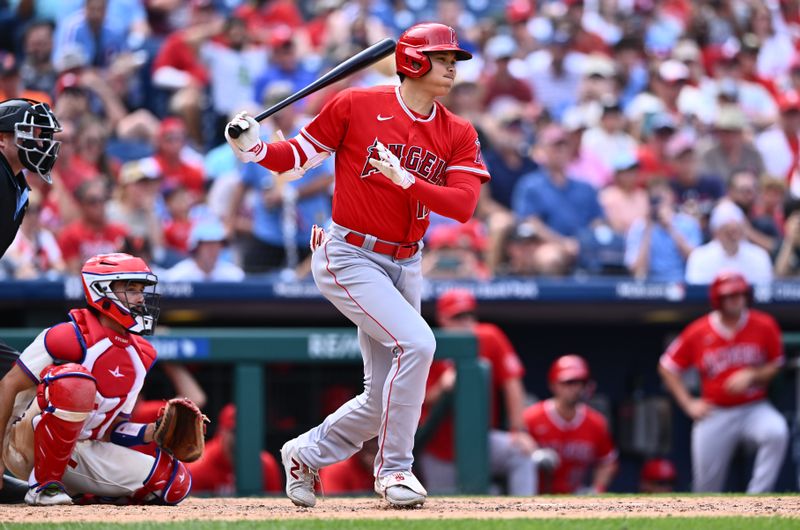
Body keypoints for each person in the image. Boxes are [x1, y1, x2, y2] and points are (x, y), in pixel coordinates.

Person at [225, 22, 490, 508]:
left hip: (407, 261)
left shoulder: (458, 130)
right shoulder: (356, 105)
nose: (453, 66)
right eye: (442, 56)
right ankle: (394, 471)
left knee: (382, 396)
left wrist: (407, 182)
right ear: (413, 61)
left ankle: (304, 452)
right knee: (419, 343)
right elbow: (296, 155)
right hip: (350, 252)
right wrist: (253, 147)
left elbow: (462, 206)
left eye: (455, 58)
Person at [0, 253, 193, 506]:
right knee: (74, 382)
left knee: (175, 483)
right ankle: (43, 486)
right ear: (101, 291)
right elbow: (8, 386)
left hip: (80, 449)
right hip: (24, 441)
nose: (141, 298)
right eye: (131, 289)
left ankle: (85, 495)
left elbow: (113, 430)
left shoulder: (141, 355)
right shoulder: (67, 335)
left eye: (141, 290)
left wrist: (152, 432)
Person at [658, 272, 789, 493]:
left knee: (776, 431)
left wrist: (753, 374)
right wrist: (688, 403)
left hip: (754, 407)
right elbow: (667, 367)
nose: (737, 300)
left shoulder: (764, 324)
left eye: (740, 294)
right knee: (706, 488)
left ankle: (757, 500)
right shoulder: (699, 330)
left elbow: (776, 364)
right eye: (730, 295)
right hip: (715, 411)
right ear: (718, 299)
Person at [0, 97, 61, 501]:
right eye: (31, 134)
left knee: (19, 378)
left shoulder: (15, 181)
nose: (41, 142)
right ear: (3, 139)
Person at [419, 289, 535, 496]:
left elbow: (512, 383)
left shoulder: (489, 337)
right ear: (443, 319)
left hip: (481, 442)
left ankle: (526, 515)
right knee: (443, 509)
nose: (465, 322)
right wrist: (441, 389)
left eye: (468, 315)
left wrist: (519, 430)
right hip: (438, 448)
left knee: (521, 452)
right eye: (457, 317)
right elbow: (412, 400)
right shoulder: (427, 344)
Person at [523, 355, 618, 495]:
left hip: (575, 496)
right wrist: (533, 454)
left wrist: (596, 489)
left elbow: (608, 461)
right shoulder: (531, 417)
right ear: (553, 385)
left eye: (579, 383)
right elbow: (514, 451)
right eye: (568, 382)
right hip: (535, 495)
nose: (574, 388)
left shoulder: (596, 422)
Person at [187, 404, 282, 496]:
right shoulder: (199, 466)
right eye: (234, 432)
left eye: (247, 432)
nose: (241, 438)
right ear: (221, 432)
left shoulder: (266, 465)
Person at [685, 201, 773, 285]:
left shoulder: (759, 256)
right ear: (716, 232)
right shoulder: (699, 257)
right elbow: (696, 292)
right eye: (728, 231)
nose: (733, 236)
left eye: (736, 230)